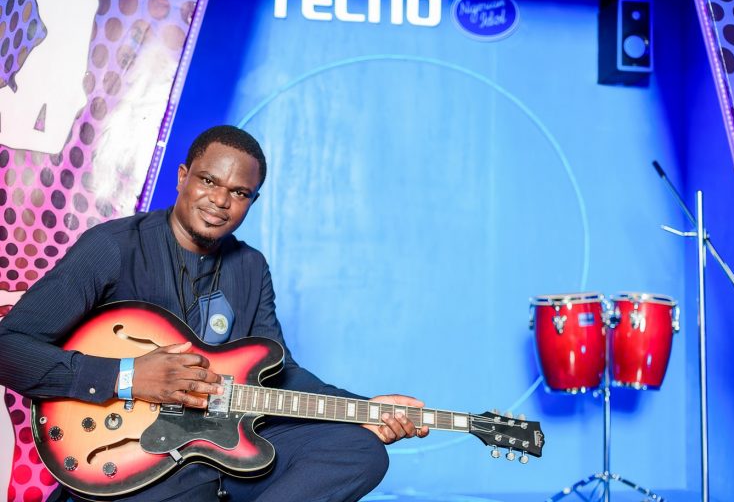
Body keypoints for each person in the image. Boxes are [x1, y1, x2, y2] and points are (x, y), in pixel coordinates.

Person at [0, 125, 429, 501]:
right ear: (182, 177)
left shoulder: (251, 266)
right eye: (208, 180)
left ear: (252, 201)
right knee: (193, 490)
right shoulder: (113, 247)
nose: (221, 200)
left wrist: (365, 407)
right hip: (133, 451)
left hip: (224, 444)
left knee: (360, 451)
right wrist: (127, 376)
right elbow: (8, 347)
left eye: (239, 193)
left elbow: (278, 373)